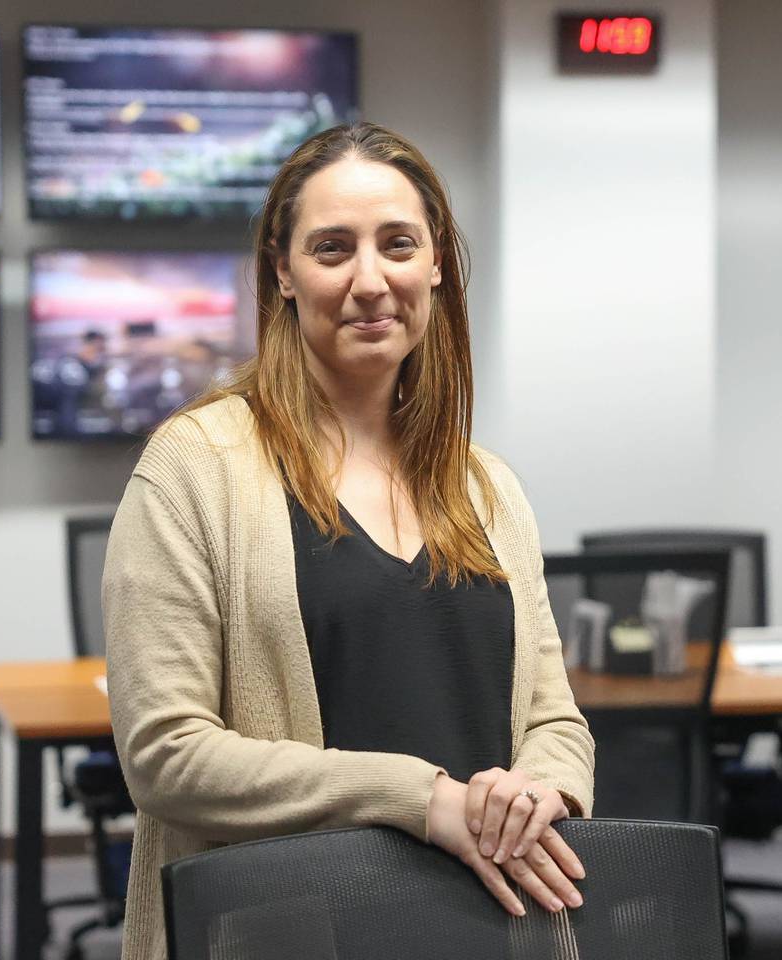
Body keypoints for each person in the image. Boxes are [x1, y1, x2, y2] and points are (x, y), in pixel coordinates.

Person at [103, 121, 595, 960]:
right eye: (333, 249)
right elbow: (166, 753)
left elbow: (555, 717)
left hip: (492, 928)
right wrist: (418, 798)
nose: (371, 281)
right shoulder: (196, 467)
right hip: (290, 933)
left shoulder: (488, 486)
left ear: (435, 264)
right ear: (283, 273)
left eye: (397, 244)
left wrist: (540, 790)